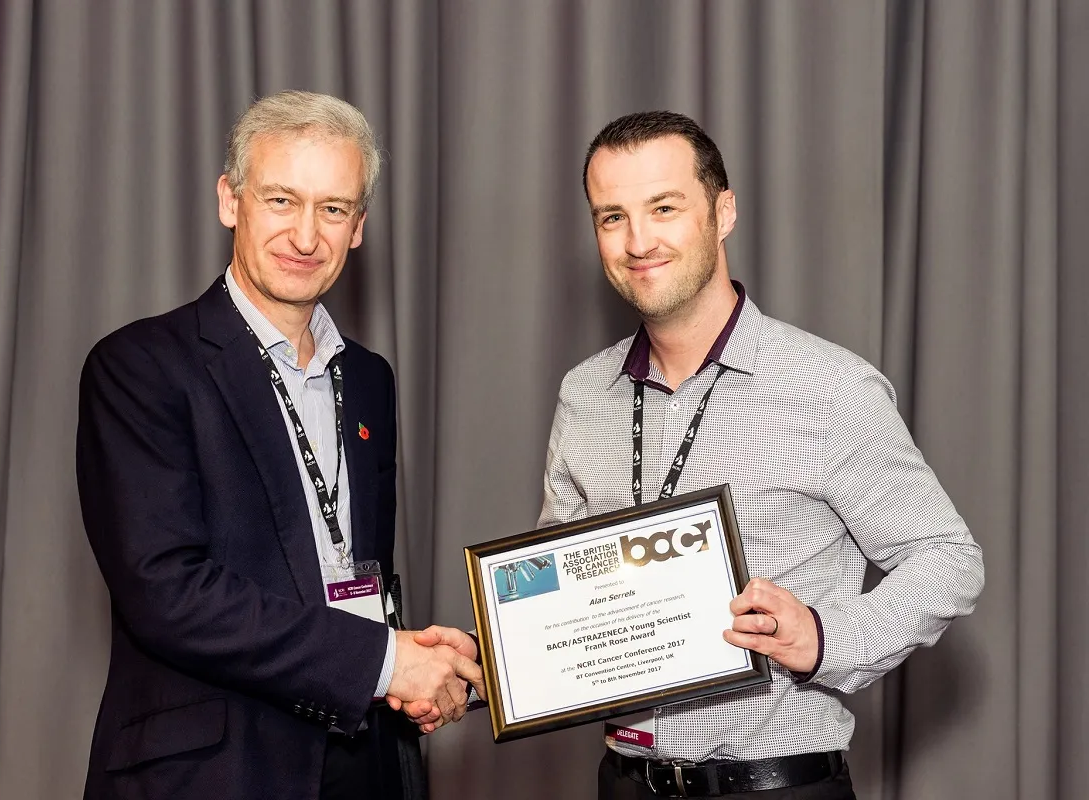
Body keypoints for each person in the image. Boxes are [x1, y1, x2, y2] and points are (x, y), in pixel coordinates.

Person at [540, 111, 985, 798]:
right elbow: (560, 575)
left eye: (664, 208)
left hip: (776, 787)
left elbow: (949, 560)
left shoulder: (832, 388)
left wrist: (826, 637)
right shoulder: (584, 393)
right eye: (611, 217)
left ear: (722, 212)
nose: (638, 241)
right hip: (623, 782)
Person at [76, 90, 482, 800]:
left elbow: (350, 576)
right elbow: (167, 592)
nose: (305, 236)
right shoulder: (139, 366)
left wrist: (417, 663)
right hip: (213, 772)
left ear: (358, 226)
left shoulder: (371, 380)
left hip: (364, 759)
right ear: (230, 200)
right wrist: (388, 661)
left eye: (332, 209)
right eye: (281, 200)